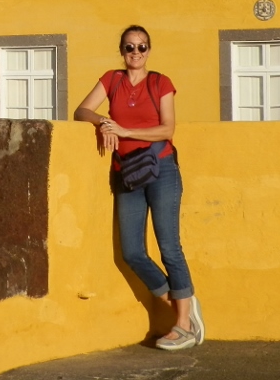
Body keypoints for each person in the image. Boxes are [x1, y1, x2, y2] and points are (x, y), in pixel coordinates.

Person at [74, 25, 204, 351]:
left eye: (142, 47)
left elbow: (167, 129)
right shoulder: (112, 80)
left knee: (169, 248)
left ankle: (184, 325)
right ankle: (183, 307)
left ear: (149, 50)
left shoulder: (161, 83)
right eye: (130, 47)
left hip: (161, 169)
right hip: (127, 173)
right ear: (122, 50)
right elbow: (81, 110)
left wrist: (125, 129)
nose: (136, 53)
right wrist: (102, 122)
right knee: (132, 252)